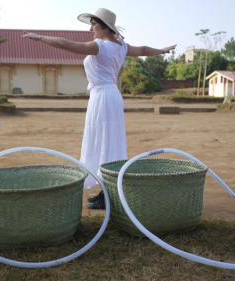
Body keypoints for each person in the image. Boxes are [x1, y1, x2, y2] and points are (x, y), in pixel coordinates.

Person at [23, 8, 176, 209]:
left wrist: (40, 37)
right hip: (109, 95)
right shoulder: (121, 46)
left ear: (105, 27)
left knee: (105, 142)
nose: (91, 28)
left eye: (94, 24)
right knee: (107, 142)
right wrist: (161, 50)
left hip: (103, 97)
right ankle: (105, 190)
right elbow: (143, 49)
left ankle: (108, 194)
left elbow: (67, 45)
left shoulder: (100, 46)